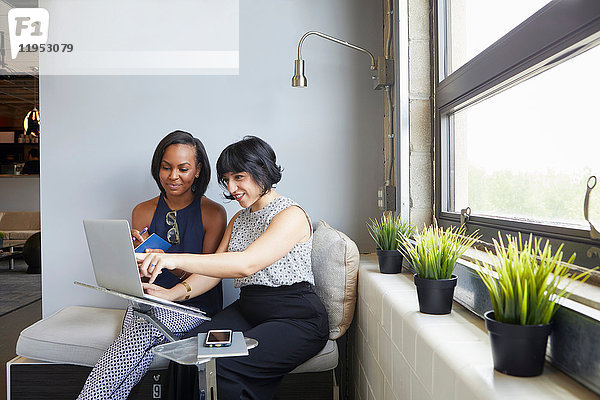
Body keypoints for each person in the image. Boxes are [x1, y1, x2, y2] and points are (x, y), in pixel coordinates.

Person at [137, 136, 329, 400]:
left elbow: (245, 264)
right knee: (186, 354)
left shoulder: (290, 215)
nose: (231, 187)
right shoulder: (239, 218)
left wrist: (173, 259)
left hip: (295, 317)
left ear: (262, 171)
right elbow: (211, 272)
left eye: (239, 177)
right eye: (226, 179)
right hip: (248, 310)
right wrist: (171, 295)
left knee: (224, 363)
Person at [78, 130, 227, 400]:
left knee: (142, 332)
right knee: (138, 344)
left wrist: (166, 261)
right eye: (166, 167)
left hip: (195, 305)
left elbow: (208, 272)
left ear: (198, 170)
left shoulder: (213, 213)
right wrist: (136, 260)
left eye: (183, 168)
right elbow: (142, 278)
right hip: (149, 300)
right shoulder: (142, 210)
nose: (173, 176)